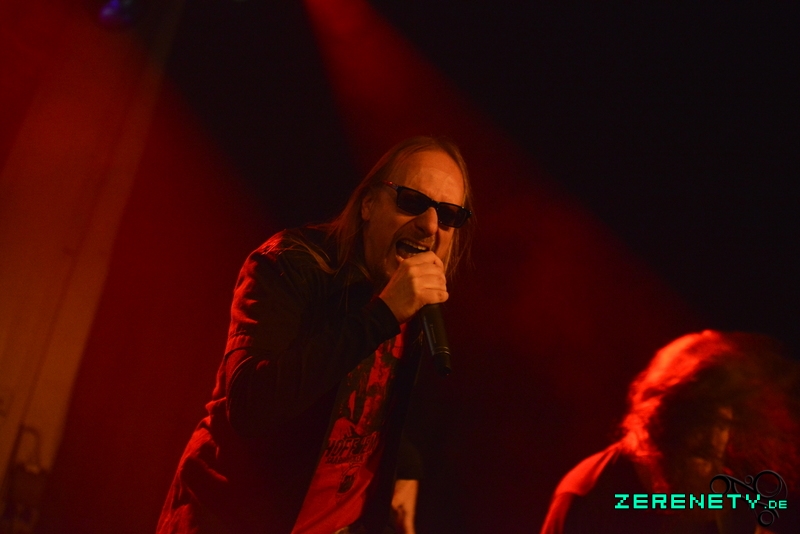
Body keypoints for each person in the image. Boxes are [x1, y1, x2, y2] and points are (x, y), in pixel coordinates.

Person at [156, 136, 474, 534]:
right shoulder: (290, 265)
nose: (429, 225)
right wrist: (382, 315)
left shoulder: (413, 296)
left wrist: (405, 466)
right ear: (368, 204)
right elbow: (252, 407)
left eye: (448, 215)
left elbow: (370, 405)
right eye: (411, 201)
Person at [541, 330, 800, 534]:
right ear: (661, 422)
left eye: (722, 423)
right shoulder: (589, 495)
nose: (714, 440)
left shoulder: (720, 493)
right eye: (701, 421)